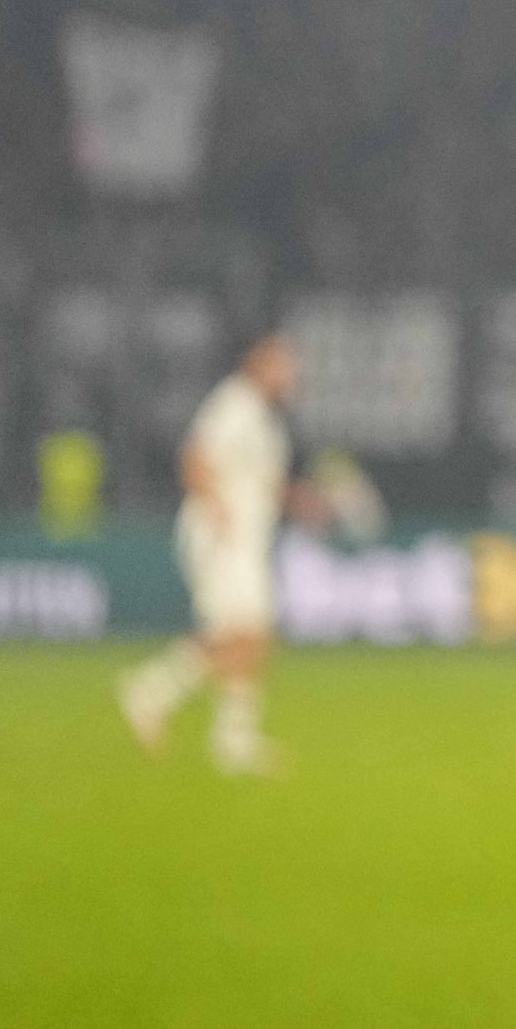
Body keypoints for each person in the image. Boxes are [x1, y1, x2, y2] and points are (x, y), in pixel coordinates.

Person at [118, 332, 309, 775]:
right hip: (222, 534)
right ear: (260, 364)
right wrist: (215, 507)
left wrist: (302, 500)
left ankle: (232, 739)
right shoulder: (235, 403)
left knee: (253, 635)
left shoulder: (265, 419)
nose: (291, 375)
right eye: (283, 365)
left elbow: (263, 482)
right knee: (239, 632)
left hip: (247, 536)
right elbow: (196, 457)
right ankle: (149, 691)